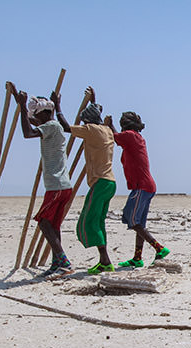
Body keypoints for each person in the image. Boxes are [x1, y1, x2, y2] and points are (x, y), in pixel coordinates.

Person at [7, 81, 74, 276]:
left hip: (56, 185)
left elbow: (27, 133)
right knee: (53, 225)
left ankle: (64, 261)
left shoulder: (51, 125)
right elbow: (34, 124)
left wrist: (21, 106)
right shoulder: (55, 126)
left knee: (43, 222)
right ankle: (57, 263)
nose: (35, 120)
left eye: (36, 116)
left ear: (44, 114)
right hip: (63, 185)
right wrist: (20, 103)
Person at [103, 111, 170, 268]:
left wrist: (106, 124)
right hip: (146, 186)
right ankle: (137, 258)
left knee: (132, 220)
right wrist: (110, 125)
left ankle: (159, 248)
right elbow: (117, 136)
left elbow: (114, 137)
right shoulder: (135, 137)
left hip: (141, 186)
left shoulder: (130, 136)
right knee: (140, 224)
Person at [67, 87, 117, 274]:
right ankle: (104, 261)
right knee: (99, 221)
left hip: (100, 182)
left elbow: (66, 127)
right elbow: (96, 113)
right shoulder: (106, 130)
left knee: (88, 221)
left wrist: (57, 108)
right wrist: (93, 100)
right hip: (110, 182)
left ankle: (105, 260)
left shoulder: (90, 130)